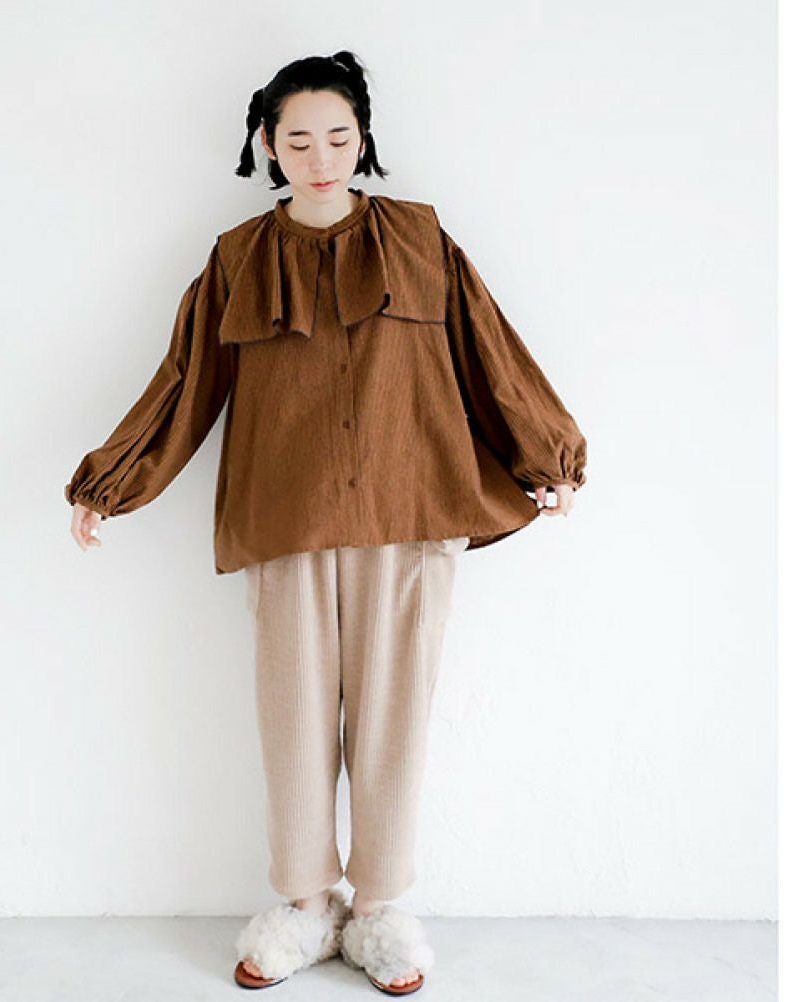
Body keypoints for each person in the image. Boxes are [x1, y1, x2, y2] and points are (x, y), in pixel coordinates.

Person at [65, 50, 587, 997]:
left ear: (362, 140)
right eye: (298, 140)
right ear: (267, 145)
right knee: (293, 722)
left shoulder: (421, 239)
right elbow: (185, 382)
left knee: (394, 722)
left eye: (338, 138)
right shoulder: (237, 258)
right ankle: (305, 906)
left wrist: (547, 454)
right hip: (285, 516)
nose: (320, 158)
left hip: (409, 508)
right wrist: (112, 482)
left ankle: (379, 909)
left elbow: (490, 351)